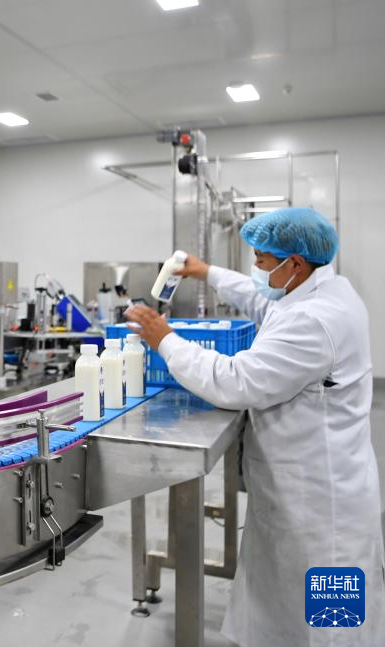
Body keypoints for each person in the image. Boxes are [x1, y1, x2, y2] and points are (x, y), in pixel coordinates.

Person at [126, 207, 384, 647]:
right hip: (305, 484)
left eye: (262, 259)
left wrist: (164, 339)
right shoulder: (321, 289)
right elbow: (258, 297)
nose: (256, 267)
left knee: (331, 621)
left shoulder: (314, 320)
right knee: (288, 610)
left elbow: (234, 381)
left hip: (320, 502)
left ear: (295, 263)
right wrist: (206, 272)